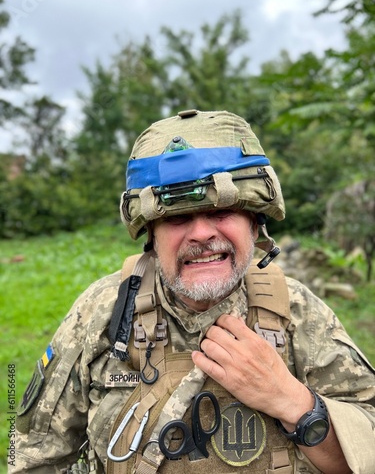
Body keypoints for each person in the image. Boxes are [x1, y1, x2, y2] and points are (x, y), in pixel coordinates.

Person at [12, 110, 375, 474]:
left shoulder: (298, 314)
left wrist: (292, 401)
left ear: (255, 222)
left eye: (223, 211)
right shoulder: (102, 312)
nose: (201, 234)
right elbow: (29, 455)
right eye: (177, 217)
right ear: (152, 233)